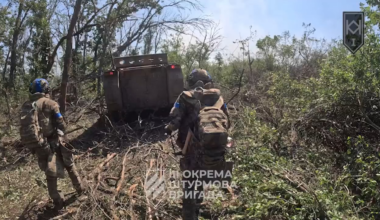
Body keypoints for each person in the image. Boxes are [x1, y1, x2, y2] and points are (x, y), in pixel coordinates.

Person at [165, 69, 230, 220]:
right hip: (209, 146)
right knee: (202, 175)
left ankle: (189, 215)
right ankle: (198, 205)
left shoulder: (185, 96)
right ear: (208, 81)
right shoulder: (218, 97)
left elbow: (174, 120)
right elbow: (228, 120)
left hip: (190, 147)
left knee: (189, 181)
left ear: (191, 82)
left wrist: (168, 129)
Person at [20, 78, 84, 210]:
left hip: (40, 144)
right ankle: (81, 190)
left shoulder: (28, 105)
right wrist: (61, 131)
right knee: (69, 165)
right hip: (55, 141)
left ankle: (57, 201)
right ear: (46, 89)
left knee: (50, 173)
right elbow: (61, 124)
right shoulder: (51, 103)